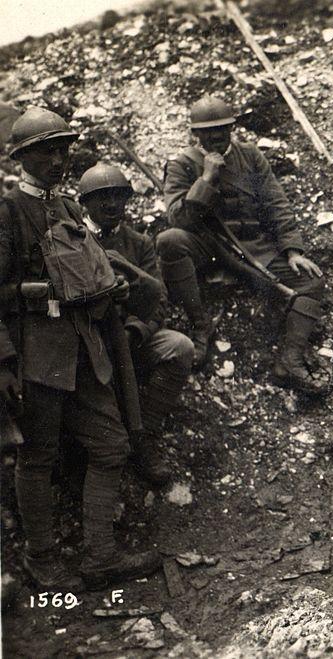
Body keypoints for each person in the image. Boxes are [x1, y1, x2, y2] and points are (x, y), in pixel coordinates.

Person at [0, 108, 160, 589]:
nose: (58, 158)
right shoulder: (8, 212)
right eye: (47, 150)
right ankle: (41, 558)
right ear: (24, 156)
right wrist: (4, 361)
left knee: (111, 445)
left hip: (86, 349)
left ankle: (100, 557)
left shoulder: (70, 208)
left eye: (63, 149)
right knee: (38, 456)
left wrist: (108, 290)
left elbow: (87, 274)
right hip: (37, 357)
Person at [157, 95, 325, 393]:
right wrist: (206, 178)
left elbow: (276, 203)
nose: (216, 136)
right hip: (206, 248)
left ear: (232, 127)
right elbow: (178, 219)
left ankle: (290, 361)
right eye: (207, 131)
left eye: (222, 128)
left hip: (255, 248)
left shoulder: (250, 157)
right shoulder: (182, 164)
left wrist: (292, 250)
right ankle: (200, 326)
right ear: (195, 133)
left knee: (309, 281)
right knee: (170, 241)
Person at [79, 163, 195, 486]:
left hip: (130, 340)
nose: (112, 205)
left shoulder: (139, 243)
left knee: (179, 347)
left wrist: (136, 330)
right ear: (84, 204)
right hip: (89, 342)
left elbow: (159, 300)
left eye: (118, 197)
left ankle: (144, 434)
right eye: (102, 198)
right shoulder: (74, 241)